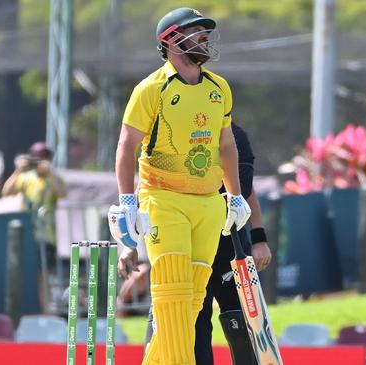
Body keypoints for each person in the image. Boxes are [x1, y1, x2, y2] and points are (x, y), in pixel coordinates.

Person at [108, 7, 251, 365]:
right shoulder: (152, 89)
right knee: (171, 295)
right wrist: (127, 201)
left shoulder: (219, 88)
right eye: (196, 32)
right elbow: (127, 146)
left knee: (191, 302)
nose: (205, 38)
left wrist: (234, 197)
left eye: (206, 33)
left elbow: (226, 146)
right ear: (171, 40)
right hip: (163, 198)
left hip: (208, 203)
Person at [138, 122, 272, 365]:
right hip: (186, 247)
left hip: (228, 244)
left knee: (242, 323)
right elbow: (149, 188)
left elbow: (243, 190)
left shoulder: (235, 136)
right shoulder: (170, 132)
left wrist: (259, 237)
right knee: (189, 325)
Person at [1, 141, 67, 312]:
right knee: (23, 276)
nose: (38, 161)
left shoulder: (54, 177)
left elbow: (62, 193)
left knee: (44, 278)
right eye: (35, 158)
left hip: (47, 237)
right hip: (26, 235)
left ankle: (46, 315)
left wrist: (48, 173)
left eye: (42, 158)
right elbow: (6, 192)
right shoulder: (25, 177)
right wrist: (18, 170)